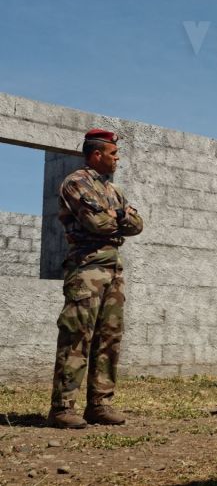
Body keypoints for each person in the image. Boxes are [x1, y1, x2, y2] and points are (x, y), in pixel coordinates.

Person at [47, 129, 144, 429]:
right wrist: (120, 216)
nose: (117, 159)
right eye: (113, 153)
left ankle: (100, 404)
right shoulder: (76, 182)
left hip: (113, 269)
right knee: (77, 335)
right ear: (97, 154)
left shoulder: (112, 190)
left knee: (109, 336)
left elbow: (137, 225)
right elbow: (97, 223)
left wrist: (116, 215)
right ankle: (62, 408)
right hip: (86, 268)